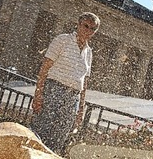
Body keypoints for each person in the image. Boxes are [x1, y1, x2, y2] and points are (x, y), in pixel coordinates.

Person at [29, 12, 100, 154]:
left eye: (93, 29)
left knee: (59, 136)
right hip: (54, 90)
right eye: (86, 26)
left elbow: (84, 82)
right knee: (40, 131)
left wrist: (81, 109)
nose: (88, 31)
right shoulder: (62, 40)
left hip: (74, 96)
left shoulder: (89, 52)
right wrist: (38, 95)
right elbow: (44, 69)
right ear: (78, 25)